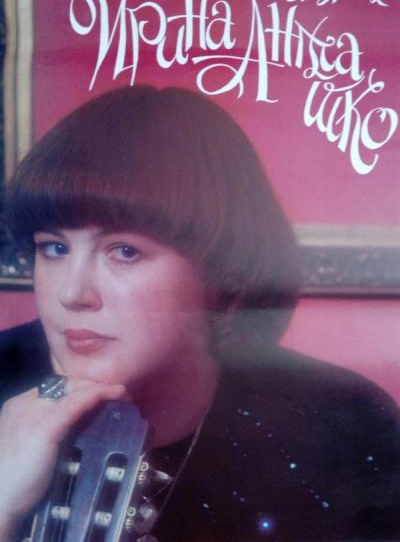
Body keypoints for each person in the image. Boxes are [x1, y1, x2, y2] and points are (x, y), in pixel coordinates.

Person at [0, 85, 399, 541]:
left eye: (124, 251)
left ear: (218, 268)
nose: (72, 294)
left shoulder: (343, 422)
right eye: (54, 248)